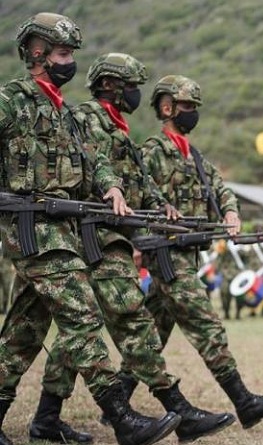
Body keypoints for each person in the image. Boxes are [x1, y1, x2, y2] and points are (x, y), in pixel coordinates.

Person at [29, 53, 236, 444]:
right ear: (110, 84)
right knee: (127, 322)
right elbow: (90, 164)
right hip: (94, 234)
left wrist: (161, 206)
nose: (136, 94)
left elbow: (137, 178)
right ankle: (173, 408)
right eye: (131, 85)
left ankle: (46, 417)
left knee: (78, 332)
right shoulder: (89, 117)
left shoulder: (119, 129)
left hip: (113, 236)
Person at [0, 13, 179, 445]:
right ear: (38, 53)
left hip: (62, 230)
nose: (69, 63)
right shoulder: (11, 100)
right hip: (31, 228)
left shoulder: (64, 112)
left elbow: (94, 160)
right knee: (83, 318)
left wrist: (113, 187)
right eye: (62, 54)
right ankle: (122, 418)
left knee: (23, 335)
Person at [137, 74, 263, 429]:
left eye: (194, 107)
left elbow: (220, 188)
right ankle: (244, 401)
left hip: (189, 252)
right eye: (186, 106)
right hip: (164, 253)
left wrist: (231, 211)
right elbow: (139, 194)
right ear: (166, 107)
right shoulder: (151, 151)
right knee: (207, 325)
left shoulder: (195, 155)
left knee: (150, 334)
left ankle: (113, 398)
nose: (192, 113)